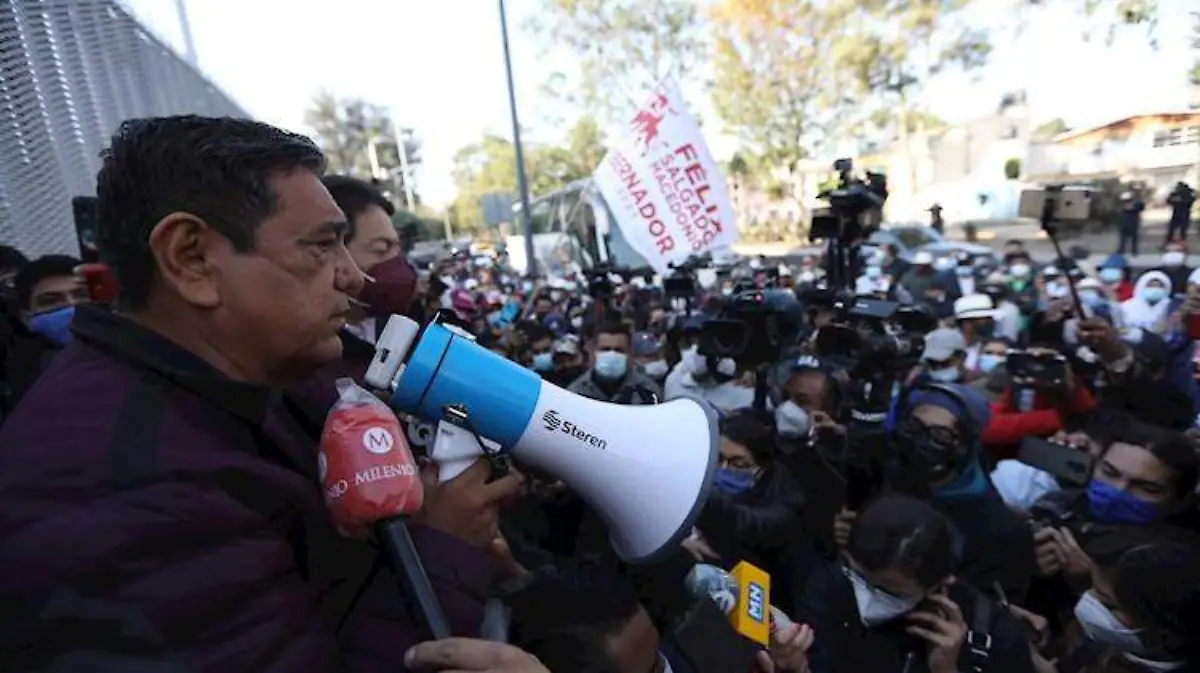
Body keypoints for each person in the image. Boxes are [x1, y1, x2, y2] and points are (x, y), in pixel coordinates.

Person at [0, 116, 522, 671]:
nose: (353, 276)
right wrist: (442, 549)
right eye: (321, 247)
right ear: (190, 258)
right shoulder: (109, 495)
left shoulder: (247, 381)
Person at [798, 494, 1035, 673]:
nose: (865, 598)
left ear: (940, 585)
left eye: (887, 592)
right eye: (859, 578)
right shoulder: (829, 586)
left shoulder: (995, 638)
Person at [880, 384, 1038, 605]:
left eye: (940, 435)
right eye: (915, 428)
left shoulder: (999, 529)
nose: (922, 442)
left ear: (963, 447)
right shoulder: (882, 481)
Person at [686, 410, 807, 610]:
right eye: (718, 458)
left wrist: (700, 495)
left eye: (738, 464)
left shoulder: (786, 505)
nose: (723, 469)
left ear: (761, 469)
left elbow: (746, 523)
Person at [2, 254, 90, 417]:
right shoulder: (18, 385)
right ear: (26, 318)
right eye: (52, 301)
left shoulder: (133, 355)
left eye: (81, 295)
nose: (72, 305)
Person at [569, 321, 662, 405]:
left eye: (619, 350)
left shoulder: (648, 390)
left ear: (630, 354)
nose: (612, 354)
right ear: (593, 352)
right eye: (605, 349)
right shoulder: (576, 392)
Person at [1117, 189, 1145, 257]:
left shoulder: (1137, 203)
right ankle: (1121, 250)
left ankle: (1134, 251)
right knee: (1123, 238)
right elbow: (1120, 210)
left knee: (1134, 237)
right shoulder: (1122, 204)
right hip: (1124, 222)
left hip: (1133, 222)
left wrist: (1131, 207)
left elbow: (1140, 207)